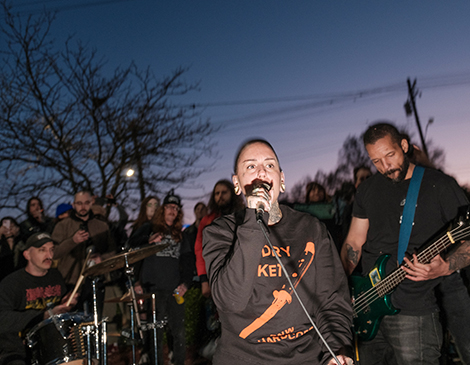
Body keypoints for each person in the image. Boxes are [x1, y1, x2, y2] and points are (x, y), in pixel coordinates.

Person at [203, 139, 353, 365]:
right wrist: (254, 219)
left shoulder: (312, 228)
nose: (261, 171)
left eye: (269, 165)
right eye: (251, 166)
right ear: (237, 184)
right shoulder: (220, 232)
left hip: (306, 357)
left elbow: (331, 300)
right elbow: (230, 301)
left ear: (281, 180)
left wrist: (336, 350)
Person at [340, 122, 470, 365]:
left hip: (414, 308)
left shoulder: (439, 184)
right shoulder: (367, 190)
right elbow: (354, 242)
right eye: (375, 161)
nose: (385, 166)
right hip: (368, 303)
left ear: (404, 145)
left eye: (390, 155)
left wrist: (446, 266)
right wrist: (343, 286)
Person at [130, 190, 193, 365]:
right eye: (169, 207)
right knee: (154, 333)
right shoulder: (149, 228)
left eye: (176, 208)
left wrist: (186, 284)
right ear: (162, 209)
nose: (172, 210)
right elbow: (130, 246)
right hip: (152, 288)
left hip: (174, 289)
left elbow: (188, 261)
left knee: (178, 331)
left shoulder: (181, 234)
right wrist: (147, 241)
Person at [0, 232, 76, 365]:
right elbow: (3, 319)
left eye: (51, 250)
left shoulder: (55, 276)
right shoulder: (11, 283)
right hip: (18, 350)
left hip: (50, 347)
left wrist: (66, 305)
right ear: (27, 255)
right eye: (42, 250)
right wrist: (44, 316)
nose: (49, 255)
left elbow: (58, 312)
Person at [52, 190, 114, 313]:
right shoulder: (63, 226)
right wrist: (72, 241)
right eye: (79, 203)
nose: (83, 207)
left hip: (96, 280)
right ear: (74, 204)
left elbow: (113, 251)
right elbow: (54, 253)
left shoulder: (102, 226)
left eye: (86, 203)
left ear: (91, 203)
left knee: (96, 319)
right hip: (70, 281)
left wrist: (102, 258)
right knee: (72, 321)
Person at [194, 179, 245, 298]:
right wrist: (204, 280)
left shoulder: (243, 216)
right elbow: (199, 250)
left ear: (232, 193)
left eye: (224, 192)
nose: (220, 196)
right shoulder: (207, 221)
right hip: (215, 277)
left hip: (239, 275)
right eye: (217, 193)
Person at [0, 217, 26, 282]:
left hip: (20, 279)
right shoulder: (1, 245)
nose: (9, 228)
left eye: (12, 226)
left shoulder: (23, 243)